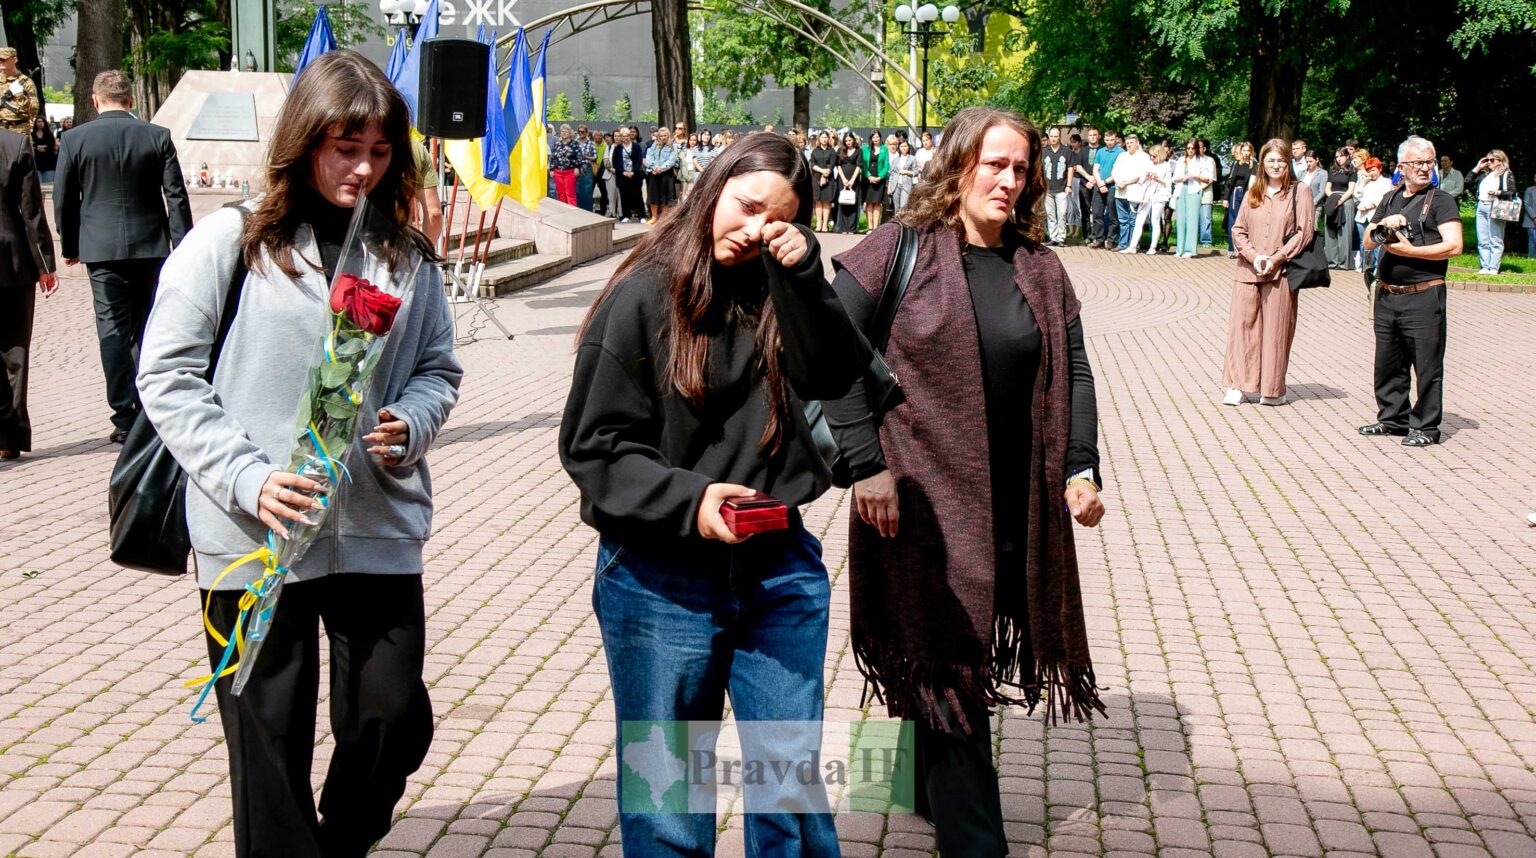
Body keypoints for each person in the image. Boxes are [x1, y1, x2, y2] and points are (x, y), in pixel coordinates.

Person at [136, 50, 462, 856]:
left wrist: (412, 421)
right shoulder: (233, 240)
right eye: (345, 148)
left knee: (391, 715)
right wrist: (247, 478)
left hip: (375, 525)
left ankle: (341, 841)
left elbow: (436, 368)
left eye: (379, 151)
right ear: (305, 140)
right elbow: (166, 375)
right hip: (255, 536)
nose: (363, 168)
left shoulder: (403, 253)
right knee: (268, 741)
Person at [560, 131, 860, 857]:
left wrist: (806, 278)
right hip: (659, 575)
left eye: (778, 220)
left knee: (789, 787)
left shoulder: (783, 289)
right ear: (712, 186)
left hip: (777, 563)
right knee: (670, 802)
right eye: (747, 206)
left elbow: (839, 382)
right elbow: (593, 446)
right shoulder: (643, 294)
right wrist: (691, 502)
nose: (756, 230)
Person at [823, 106, 1106, 857]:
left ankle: (910, 785)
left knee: (936, 648)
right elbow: (827, 355)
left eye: (1021, 168)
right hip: (917, 502)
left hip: (1015, 500)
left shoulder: (1040, 268)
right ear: (957, 166)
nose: (1009, 180)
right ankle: (976, 841)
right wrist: (866, 466)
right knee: (948, 655)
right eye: (994, 164)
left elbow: (1075, 372)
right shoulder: (899, 249)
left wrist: (1079, 468)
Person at [53, 69, 192, 444]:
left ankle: (124, 415)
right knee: (150, 326)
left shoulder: (75, 138)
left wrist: (70, 245)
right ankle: (152, 408)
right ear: (131, 100)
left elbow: (64, 198)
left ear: (95, 101)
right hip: (151, 247)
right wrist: (183, 246)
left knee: (112, 329)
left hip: (101, 249)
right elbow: (176, 196)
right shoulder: (156, 136)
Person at [1358, 135, 1462, 447]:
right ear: (1402, 167)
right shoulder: (1390, 198)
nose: (1425, 168)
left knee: (1427, 365)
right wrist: (1384, 226)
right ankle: (1393, 419)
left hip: (1424, 293)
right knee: (1388, 362)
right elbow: (1368, 241)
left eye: (1429, 162)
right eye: (1418, 163)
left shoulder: (1441, 200)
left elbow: (1455, 245)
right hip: (1388, 293)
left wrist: (1412, 252)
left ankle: (1426, 427)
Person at [1221, 139, 1314, 407]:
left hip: (1280, 272)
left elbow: (1304, 232)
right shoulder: (1254, 191)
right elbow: (1238, 229)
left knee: (1276, 329)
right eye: (1270, 160)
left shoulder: (1300, 191)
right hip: (1248, 270)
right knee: (1242, 328)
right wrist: (1254, 256)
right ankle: (1238, 385)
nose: (1275, 165)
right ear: (1262, 163)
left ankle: (1272, 388)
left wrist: (1275, 258)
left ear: (1288, 163)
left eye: (1281, 160)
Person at [0, 129, 56, 461]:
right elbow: (31, 210)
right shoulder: (14, 144)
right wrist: (45, 264)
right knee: (15, 347)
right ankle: (11, 434)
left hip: (14, 262)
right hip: (12, 259)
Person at [1467, 150, 1515, 275]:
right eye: (1487, 160)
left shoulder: (1506, 174)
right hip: (1481, 206)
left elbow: (1512, 192)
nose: (1489, 162)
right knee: (1482, 238)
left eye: (1492, 160)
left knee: (1495, 238)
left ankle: (1493, 267)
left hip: (1496, 206)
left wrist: (1497, 192)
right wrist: (1478, 167)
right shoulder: (1485, 174)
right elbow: (1467, 182)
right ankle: (1485, 266)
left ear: (1500, 161)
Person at [1125, 143, 1171, 254]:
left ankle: (1153, 247)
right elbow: (1141, 181)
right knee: (1139, 220)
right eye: (1150, 155)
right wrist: (1145, 176)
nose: (1151, 158)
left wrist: (1157, 178)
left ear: (1160, 155)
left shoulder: (1166, 166)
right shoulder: (1149, 164)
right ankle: (1132, 246)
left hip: (1159, 195)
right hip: (1146, 195)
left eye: (1153, 156)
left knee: (1155, 220)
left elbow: (1168, 182)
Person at [1109, 133, 1151, 251]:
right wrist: (1118, 182)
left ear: (1137, 143)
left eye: (1131, 143)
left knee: (1133, 220)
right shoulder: (1122, 156)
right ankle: (1122, 244)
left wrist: (1126, 183)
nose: (1129, 145)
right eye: (1127, 143)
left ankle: (1133, 244)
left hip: (1134, 192)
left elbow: (1142, 174)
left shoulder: (1144, 157)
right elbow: (1114, 171)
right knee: (1123, 220)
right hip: (1120, 192)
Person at [1353, 157, 1394, 273]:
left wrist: (1368, 206)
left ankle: (1378, 266)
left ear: (1379, 169)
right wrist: (1362, 182)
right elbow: (1357, 194)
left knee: (1377, 241)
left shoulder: (1386, 182)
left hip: (1375, 216)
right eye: (1369, 171)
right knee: (1363, 242)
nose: (1371, 173)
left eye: (1373, 170)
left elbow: (1383, 197)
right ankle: (1366, 266)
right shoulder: (1366, 182)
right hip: (1362, 217)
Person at [1324, 148, 1357, 270]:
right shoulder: (1332, 171)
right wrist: (1333, 199)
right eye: (1337, 156)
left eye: (1341, 156)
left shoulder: (1352, 171)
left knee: (1344, 233)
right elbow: (1327, 188)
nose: (1339, 159)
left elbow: (1351, 189)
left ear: (1347, 156)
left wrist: (1340, 201)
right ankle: (1331, 261)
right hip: (1332, 200)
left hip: (1345, 201)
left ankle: (1344, 263)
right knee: (1330, 231)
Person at [1090, 130, 1123, 249]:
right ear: (1104, 140)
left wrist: (1105, 182)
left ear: (1116, 139)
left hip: (1112, 186)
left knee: (1112, 215)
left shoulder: (1121, 153)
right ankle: (1099, 238)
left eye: (1112, 140)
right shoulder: (1100, 151)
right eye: (1107, 140)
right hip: (1099, 185)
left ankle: (1110, 240)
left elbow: (1118, 172)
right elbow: (1095, 169)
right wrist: (1100, 183)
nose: (1109, 142)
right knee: (1097, 213)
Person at [1172, 140, 1205, 257]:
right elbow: (1175, 178)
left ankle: (1189, 250)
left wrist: (1195, 176)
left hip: (1194, 190)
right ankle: (1179, 249)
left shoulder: (1201, 161)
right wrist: (1183, 178)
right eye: (1188, 148)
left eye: (1193, 148)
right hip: (1181, 190)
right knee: (1181, 220)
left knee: (1192, 220)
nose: (1190, 150)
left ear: (1196, 149)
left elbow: (1207, 178)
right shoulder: (1181, 160)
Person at [1222, 141, 1255, 258]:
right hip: (1235, 193)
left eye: (1247, 151)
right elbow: (1230, 182)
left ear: (1251, 152)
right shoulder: (1236, 164)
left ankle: (1244, 249)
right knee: (1233, 221)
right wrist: (1226, 198)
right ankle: (1232, 248)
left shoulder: (1254, 166)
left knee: (1245, 221)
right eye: (1244, 150)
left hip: (1247, 194)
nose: (1246, 153)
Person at [1041, 126, 1071, 246]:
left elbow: (1070, 168)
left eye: (1056, 136)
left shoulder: (1066, 151)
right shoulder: (1044, 151)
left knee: (1062, 213)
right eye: (1052, 136)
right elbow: (1040, 169)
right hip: (1048, 188)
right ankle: (1053, 237)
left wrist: (1069, 185)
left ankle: (1061, 238)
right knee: (1050, 214)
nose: (1053, 139)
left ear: (1060, 137)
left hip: (1062, 187)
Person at [411, 139, 443, 246]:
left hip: (368, 242)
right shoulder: (416, 149)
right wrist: (426, 251)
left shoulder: (366, 144)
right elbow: (434, 213)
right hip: (400, 249)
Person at [0, 48, 39, 135]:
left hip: (19, 129)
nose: (0, 61)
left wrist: (19, 96)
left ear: (14, 60)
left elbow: (34, 110)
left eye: (3, 59)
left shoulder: (26, 82)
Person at [643, 126, 679, 222]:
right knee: (653, 196)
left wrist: (661, 168)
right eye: (661, 136)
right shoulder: (655, 145)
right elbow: (649, 156)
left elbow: (671, 161)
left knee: (665, 197)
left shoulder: (673, 146)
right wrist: (654, 167)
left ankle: (663, 218)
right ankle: (654, 217)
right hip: (654, 173)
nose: (663, 137)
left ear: (668, 135)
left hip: (666, 174)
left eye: (665, 135)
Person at [1075, 127, 1104, 245]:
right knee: (1085, 212)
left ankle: (1097, 235)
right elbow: (1078, 167)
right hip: (1085, 184)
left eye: (1094, 135)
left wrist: (1096, 180)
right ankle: (1086, 235)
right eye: (1090, 135)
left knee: (1098, 212)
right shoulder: (1082, 150)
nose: (1092, 137)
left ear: (1099, 136)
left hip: (1099, 184)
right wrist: (1088, 178)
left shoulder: (1103, 150)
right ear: (1087, 137)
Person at [612, 128, 646, 222]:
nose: (625, 138)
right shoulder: (618, 148)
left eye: (627, 136)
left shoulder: (636, 147)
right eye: (623, 136)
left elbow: (639, 160)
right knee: (624, 196)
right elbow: (615, 162)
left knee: (638, 195)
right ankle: (626, 216)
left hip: (635, 175)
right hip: (622, 176)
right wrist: (623, 172)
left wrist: (633, 171)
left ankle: (641, 216)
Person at [861, 129, 890, 232]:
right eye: (873, 137)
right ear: (871, 138)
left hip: (879, 180)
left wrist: (880, 177)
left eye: (877, 137)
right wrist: (869, 176)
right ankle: (869, 227)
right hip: (868, 179)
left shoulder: (884, 149)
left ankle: (875, 227)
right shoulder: (865, 149)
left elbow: (886, 165)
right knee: (869, 203)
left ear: (880, 138)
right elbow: (863, 165)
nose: (876, 139)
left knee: (877, 203)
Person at [809, 130, 837, 232]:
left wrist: (825, 175)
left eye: (826, 137)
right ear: (819, 139)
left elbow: (832, 164)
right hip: (816, 177)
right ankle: (819, 223)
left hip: (829, 178)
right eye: (822, 137)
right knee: (818, 202)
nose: (824, 139)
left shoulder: (832, 151)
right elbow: (813, 164)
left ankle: (825, 224)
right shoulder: (815, 151)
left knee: (826, 202)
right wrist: (821, 171)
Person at [835, 131, 863, 233]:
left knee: (852, 203)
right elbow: (838, 165)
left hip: (854, 180)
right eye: (846, 141)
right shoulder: (840, 150)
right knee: (843, 202)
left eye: (850, 140)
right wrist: (843, 179)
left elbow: (858, 166)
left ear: (853, 140)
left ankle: (851, 228)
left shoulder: (859, 151)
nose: (848, 142)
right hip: (842, 179)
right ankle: (843, 228)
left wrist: (852, 180)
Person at [550, 124, 582, 206]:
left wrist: (577, 167)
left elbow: (579, 156)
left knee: (570, 193)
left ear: (569, 133)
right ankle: (562, 211)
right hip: (558, 172)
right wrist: (551, 169)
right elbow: (553, 157)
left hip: (570, 172)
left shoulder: (574, 144)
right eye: (562, 131)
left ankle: (572, 212)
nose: (564, 133)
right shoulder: (557, 144)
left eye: (566, 131)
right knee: (560, 194)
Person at [1194, 138, 1218, 248]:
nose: (1197, 149)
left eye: (1199, 147)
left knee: (1205, 218)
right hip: (1192, 192)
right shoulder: (1191, 160)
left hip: (1206, 192)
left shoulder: (1210, 160)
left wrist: (1201, 188)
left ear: (1204, 148)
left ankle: (1206, 241)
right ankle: (1192, 239)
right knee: (1192, 217)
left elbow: (1211, 178)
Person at [890, 138, 918, 214]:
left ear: (908, 147)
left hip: (906, 185)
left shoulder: (912, 158)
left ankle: (903, 221)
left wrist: (907, 172)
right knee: (896, 207)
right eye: (902, 146)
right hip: (896, 185)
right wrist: (890, 187)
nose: (904, 148)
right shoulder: (896, 159)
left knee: (903, 206)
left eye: (905, 146)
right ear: (899, 148)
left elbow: (916, 172)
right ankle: (896, 221)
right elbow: (892, 174)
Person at [575, 124, 598, 211]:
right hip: (576, 168)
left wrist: (585, 157)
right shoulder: (575, 142)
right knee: (578, 191)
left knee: (587, 190)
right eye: (579, 131)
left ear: (587, 132)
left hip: (587, 167)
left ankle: (588, 211)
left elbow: (595, 157)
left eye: (583, 132)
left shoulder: (591, 143)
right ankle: (578, 210)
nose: (581, 133)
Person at [29, 117, 56, 183]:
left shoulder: (49, 134)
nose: (40, 123)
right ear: (35, 123)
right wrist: (38, 147)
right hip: (36, 164)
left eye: (42, 121)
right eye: (38, 122)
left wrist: (43, 148)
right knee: (38, 184)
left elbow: (52, 146)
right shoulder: (32, 135)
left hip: (48, 164)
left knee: (48, 184)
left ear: (44, 123)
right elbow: (31, 146)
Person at [1522, 179, 1536, 258]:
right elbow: (1527, 205)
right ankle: (1532, 259)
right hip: (1531, 221)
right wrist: (1534, 217)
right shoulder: (1529, 190)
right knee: (1532, 242)